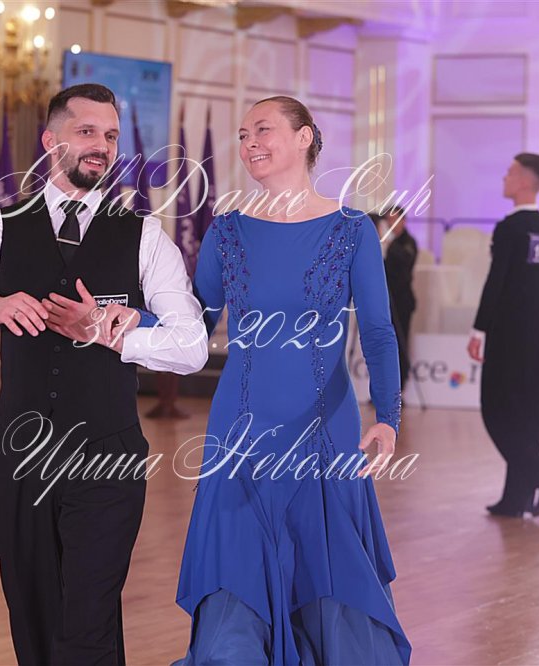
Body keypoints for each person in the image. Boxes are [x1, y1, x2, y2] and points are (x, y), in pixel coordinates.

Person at [0, 83, 207, 665]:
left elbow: (192, 346)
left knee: (87, 624)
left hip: (107, 460)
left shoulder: (143, 234)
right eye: (87, 132)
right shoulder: (0, 224)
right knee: (33, 621)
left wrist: (105, 329)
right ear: (51, 141)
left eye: (110, 135)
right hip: (19, 459)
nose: (101, 146)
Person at [173, 96, 411, 665]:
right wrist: (125, 321)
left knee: (326, 573)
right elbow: (192, 325)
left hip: (324, 428)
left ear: (305, 137)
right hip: (240, 429)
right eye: (242, 134)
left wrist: (388, 417)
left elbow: (378, 331)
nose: (249, 142)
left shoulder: (352, 229)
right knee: (236, 572)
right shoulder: (227, 231)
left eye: (263, 129)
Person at [467, 153, 539, 518]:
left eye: (510, 173)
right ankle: (516, 498)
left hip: (509, 326)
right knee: (525, 411)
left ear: (524, 180)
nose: (504, 178)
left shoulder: (510, 228)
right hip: (538, 325)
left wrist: (479, 328)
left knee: (496, 408)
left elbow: (497, 281)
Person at [381, 205, 418, 392]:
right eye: (388, 220)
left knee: (400, 345)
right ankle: (384, 389)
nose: (391, 224)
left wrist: (389, 245)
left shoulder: (407, 243)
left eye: (394, 219)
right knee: (385, 347)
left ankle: (398, 390)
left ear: (403, 221)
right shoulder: (388, 243)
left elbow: (406, 262)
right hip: (387, 301)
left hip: (402, 302)